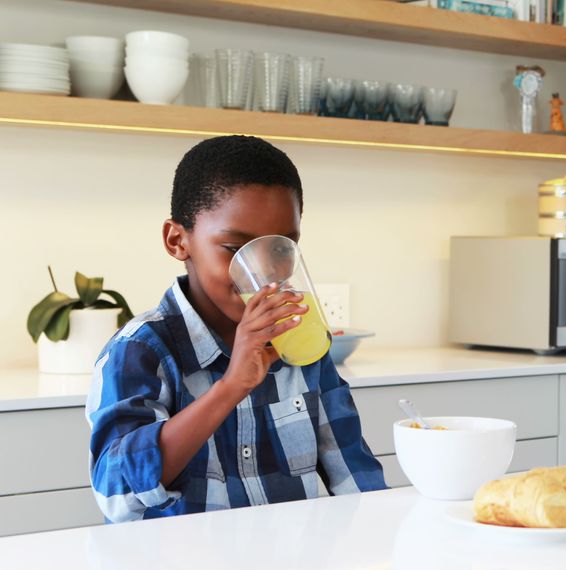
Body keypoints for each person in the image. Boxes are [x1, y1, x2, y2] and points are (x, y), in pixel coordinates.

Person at [86, 135, 386, 523]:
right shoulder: (141, 351)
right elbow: (118, 493)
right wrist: (231, 387)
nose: (262, 271)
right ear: (178, 241)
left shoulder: (299, 341)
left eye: (280, 249)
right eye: (234, 248)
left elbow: (354, 476)